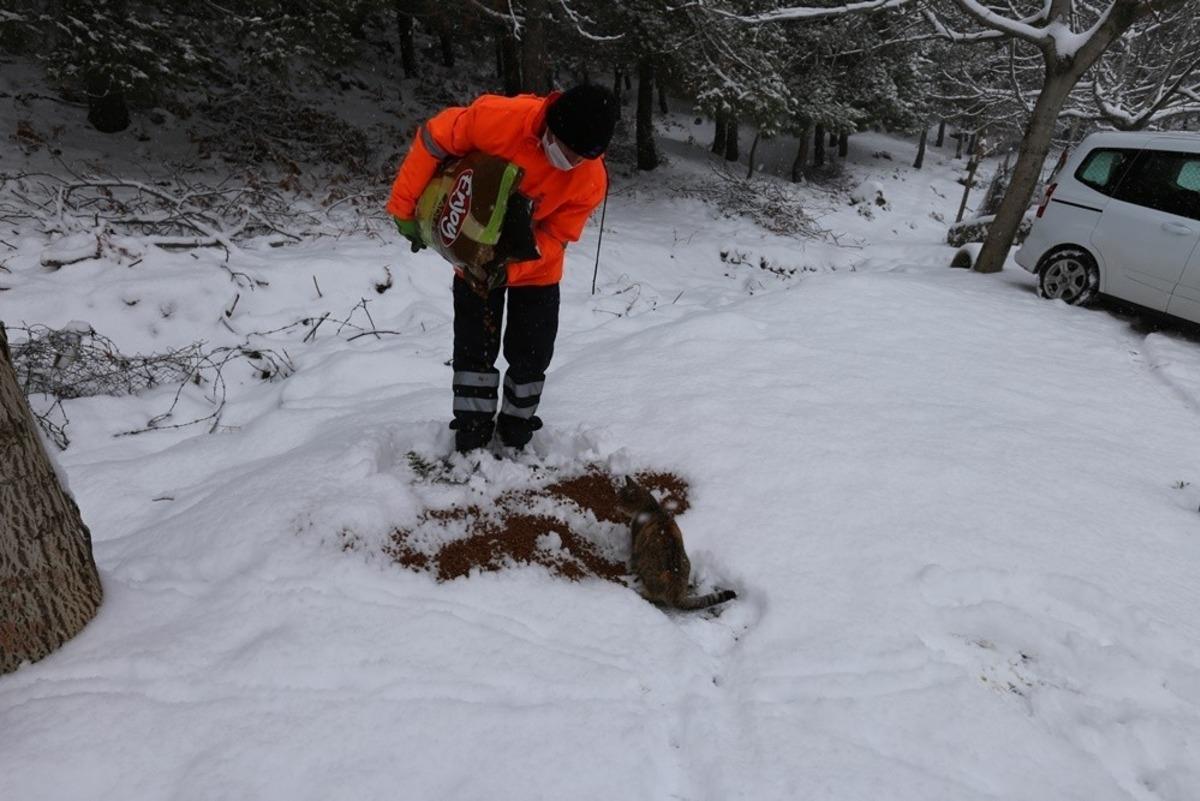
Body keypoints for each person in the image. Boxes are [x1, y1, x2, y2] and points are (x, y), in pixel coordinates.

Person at [387, 84, 618, 454]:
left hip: (536, 269)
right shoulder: (498, 120)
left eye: (580, 158)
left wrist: (509, 269)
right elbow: (434, 138)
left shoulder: (590, 180)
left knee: (533, 352)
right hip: (473, 250)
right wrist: (404, 207)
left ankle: (517, 430)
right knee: (474, 349)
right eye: (567, 151)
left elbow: (557, 238)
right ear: (552, 127)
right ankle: (472, 432)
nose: (570, 162)